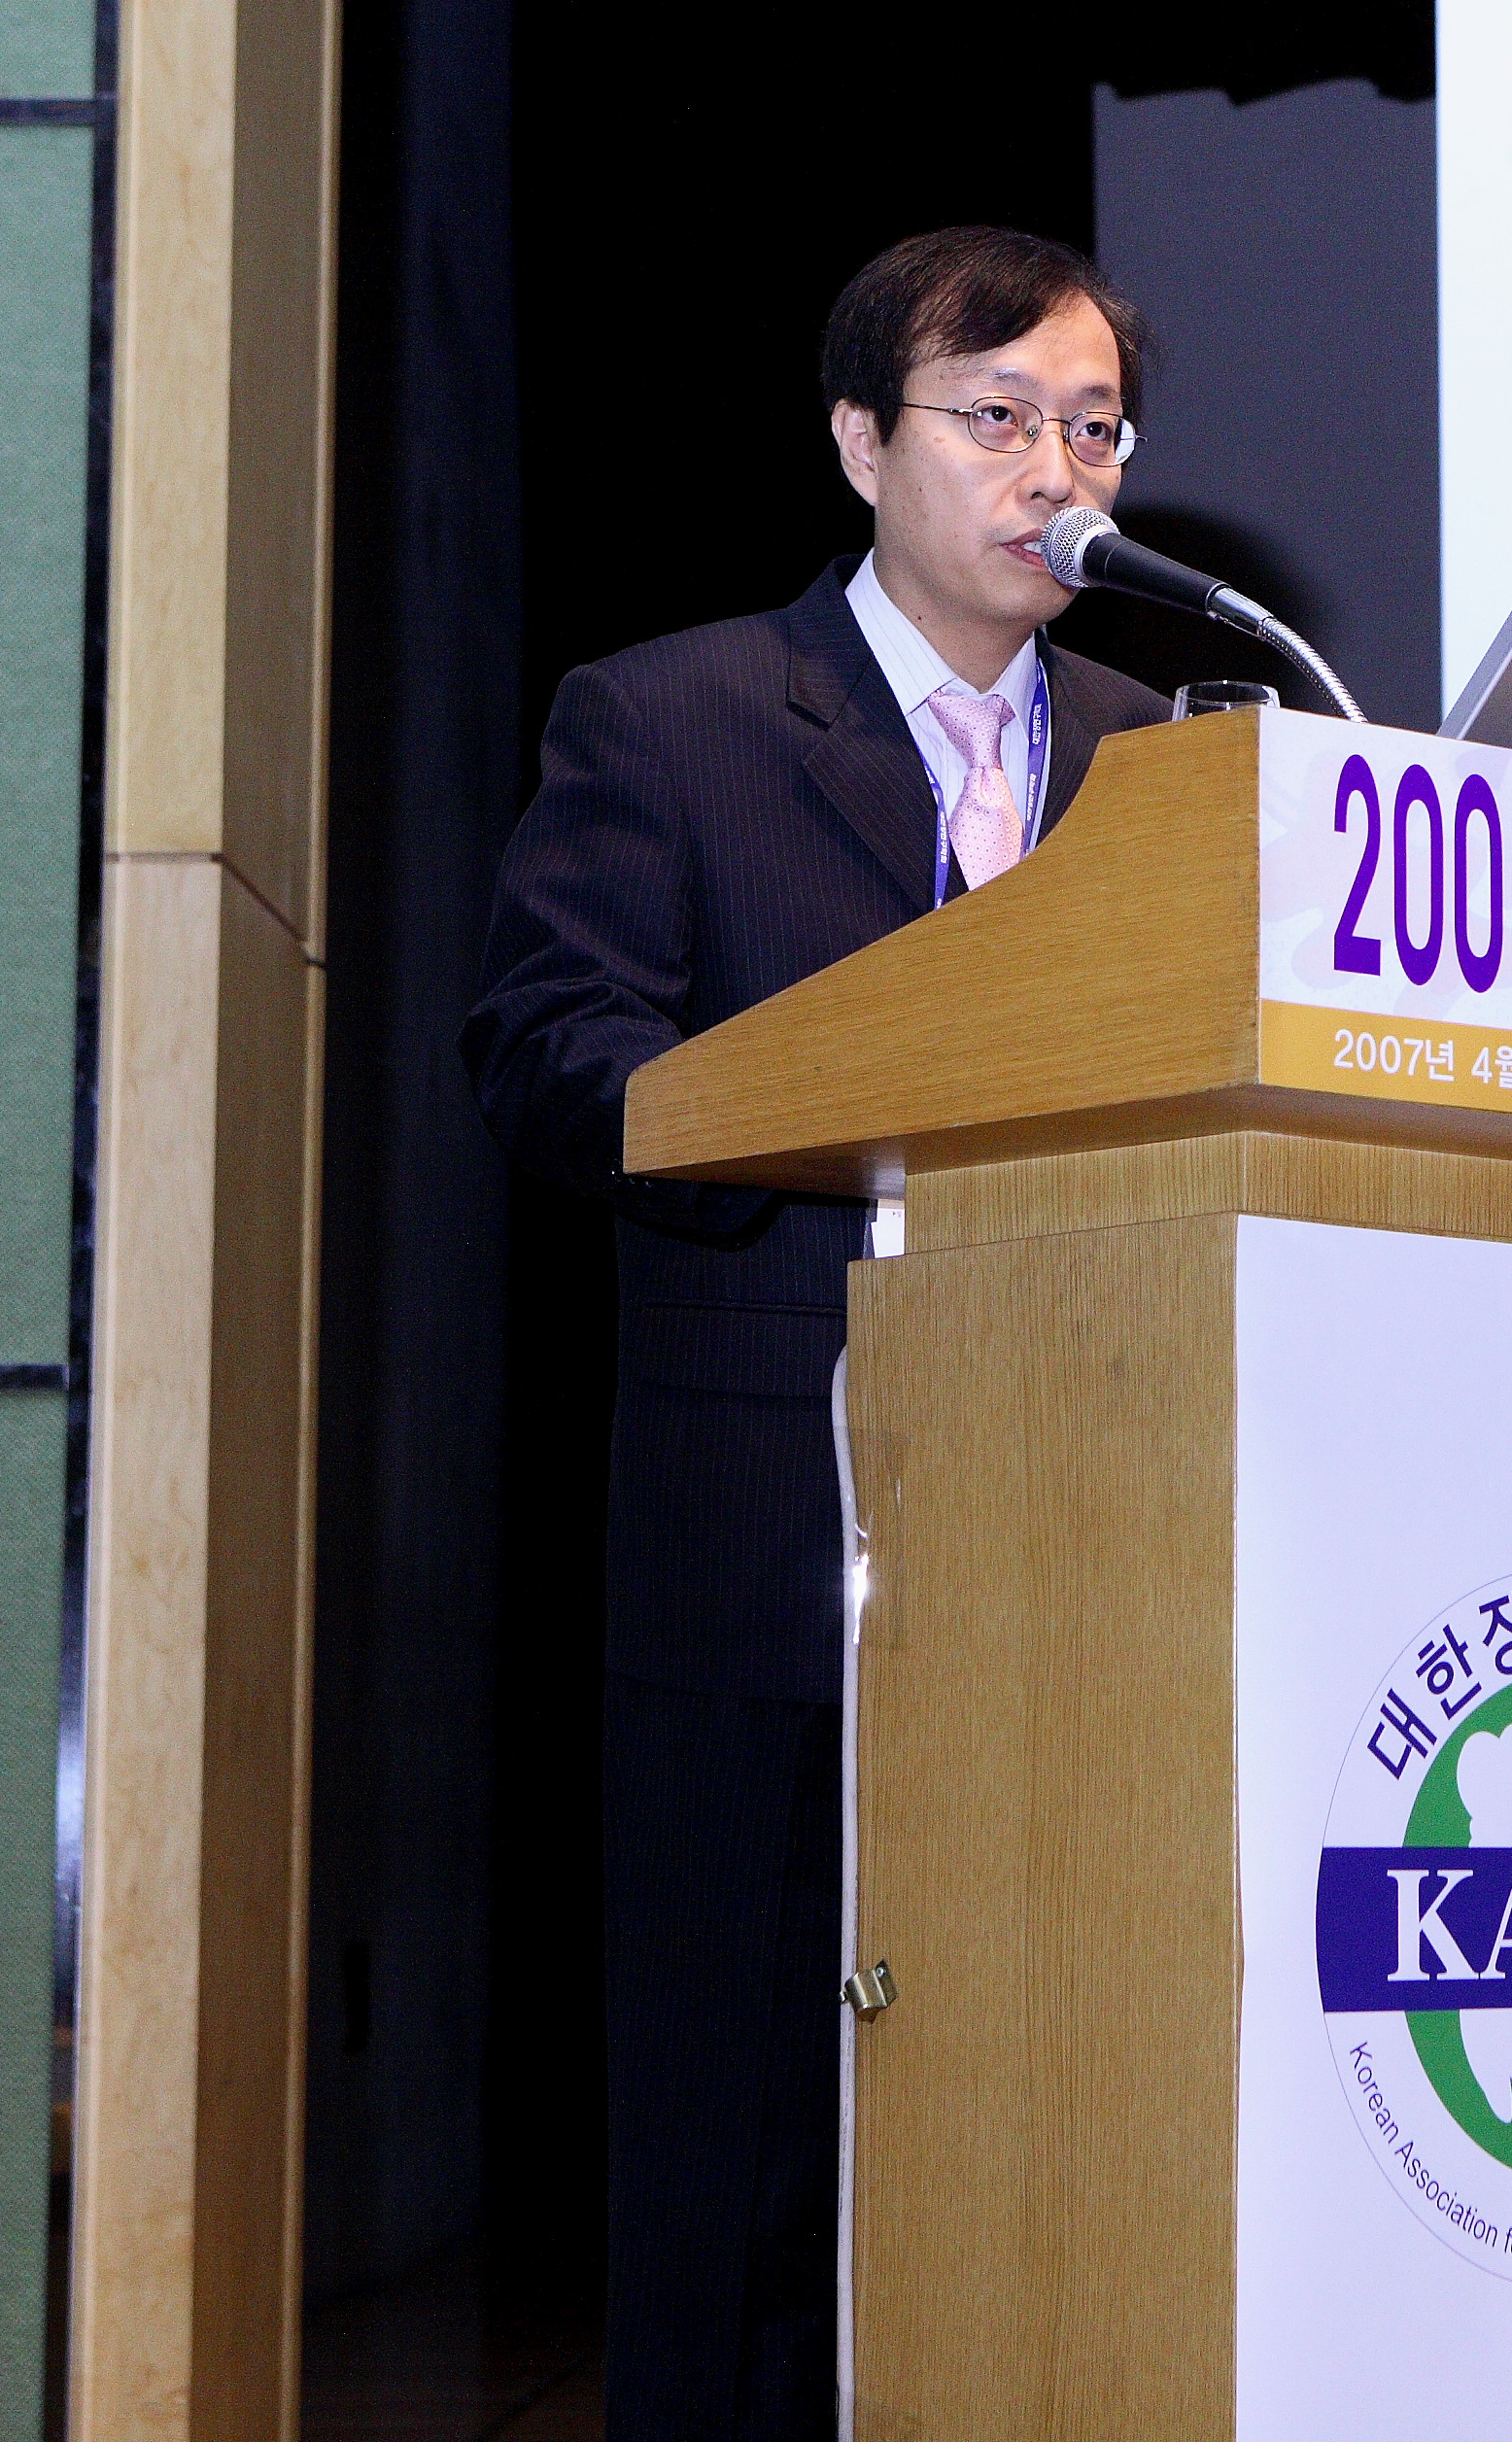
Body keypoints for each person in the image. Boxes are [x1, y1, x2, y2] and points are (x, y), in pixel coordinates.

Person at [464, 226, 1175, 2441]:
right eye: (999, 417)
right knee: (743, 2134)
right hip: (767, 1504)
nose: (1055, 470)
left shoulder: (1167, 762)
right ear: (864, 443)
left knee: (1064, 2093)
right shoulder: (673, 715)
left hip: (1094, 1496)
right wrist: (820, 1112)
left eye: (1093, 428)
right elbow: (547, 1052)